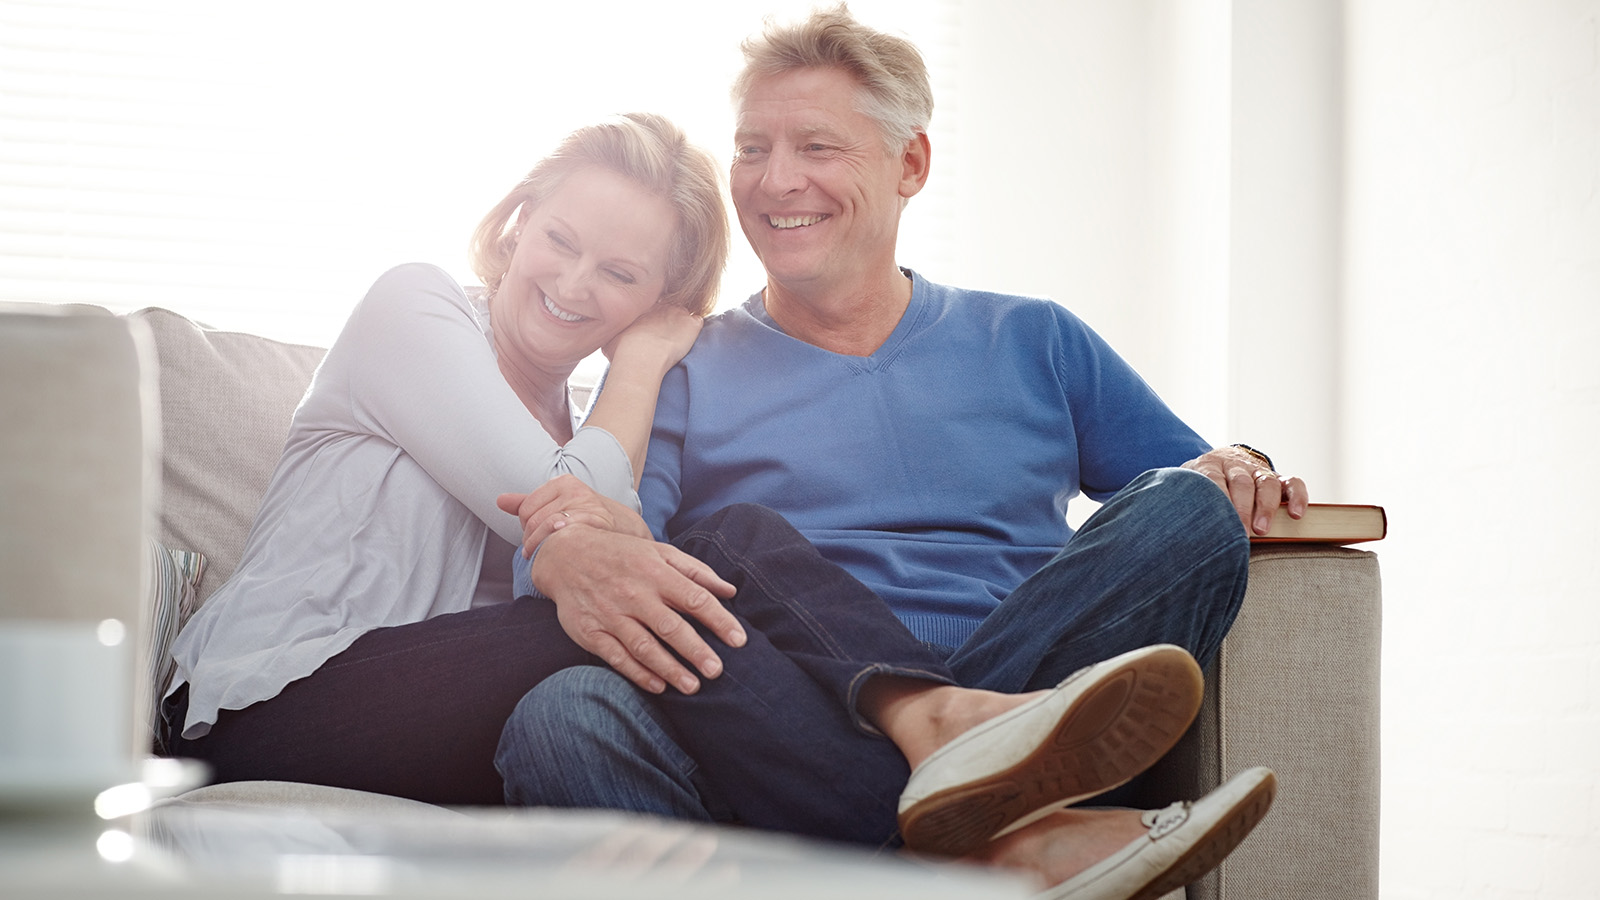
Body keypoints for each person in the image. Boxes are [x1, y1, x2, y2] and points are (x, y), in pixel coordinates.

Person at [495, 6, 1307, 898]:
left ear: (910, 163)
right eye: (752, 148)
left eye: (816, 147)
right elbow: (620, 557)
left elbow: (1196, 490)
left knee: (1189, 512)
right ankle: (1007, 845)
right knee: (562, 716)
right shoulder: (689, 366)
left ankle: (955, 795)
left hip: (1029, 694)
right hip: (783, 711)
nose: (774, 182)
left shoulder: (1035, 339)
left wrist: (1242, 460)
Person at [160, 113, 745, 804]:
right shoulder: (412, 308)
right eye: (560, 239)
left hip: (429, 727)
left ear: (659, 301)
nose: (576, 282)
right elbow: (569, 522)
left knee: (613, 674)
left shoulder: (593, 437)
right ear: (518, 223)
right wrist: (643, 360)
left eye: (619, 272)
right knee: (658, 606)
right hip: (257, 711)